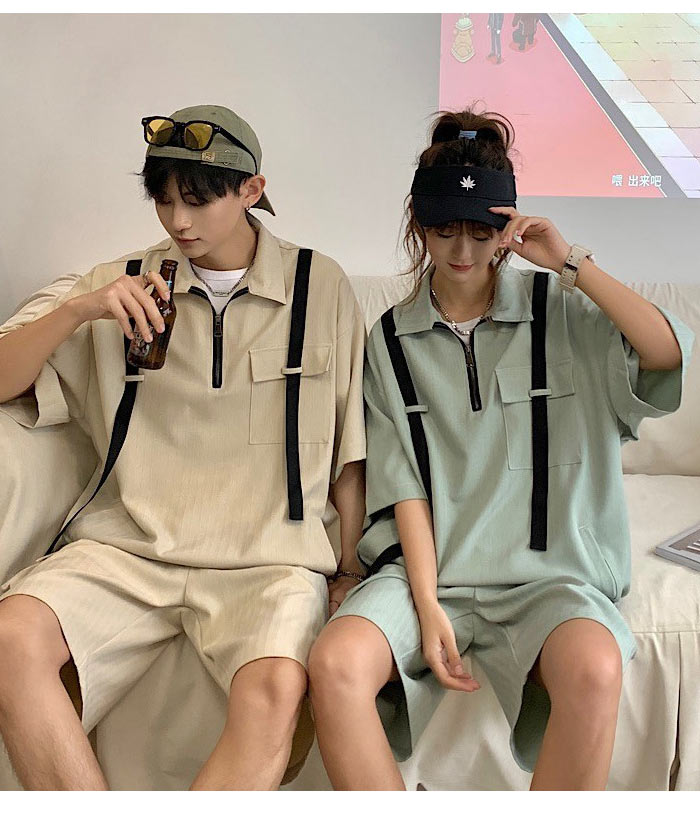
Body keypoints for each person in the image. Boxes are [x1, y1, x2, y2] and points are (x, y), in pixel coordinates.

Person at [307, 107, 695, 790]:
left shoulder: (563, 311)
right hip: (429, 577)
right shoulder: (389, 340)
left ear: (506, 228)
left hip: (550, 578)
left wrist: (572, 263)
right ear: (418, 223)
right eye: (443, 230)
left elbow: (665, 353)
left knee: (596, 665)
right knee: (335, 665)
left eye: (482, 231)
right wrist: (427, 606)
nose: (463, 250)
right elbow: (405, 487)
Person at [0, 104, 367, 790]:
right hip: (129, 548)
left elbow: (350, 450)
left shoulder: (321, 286)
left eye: (197, 201)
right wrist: (80, 309)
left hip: (270, 559)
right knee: (11, 638)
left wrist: (348, 568)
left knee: (274, 690)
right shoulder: (121, 280)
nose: (179, 221)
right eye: (165, 201)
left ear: (252, 190)